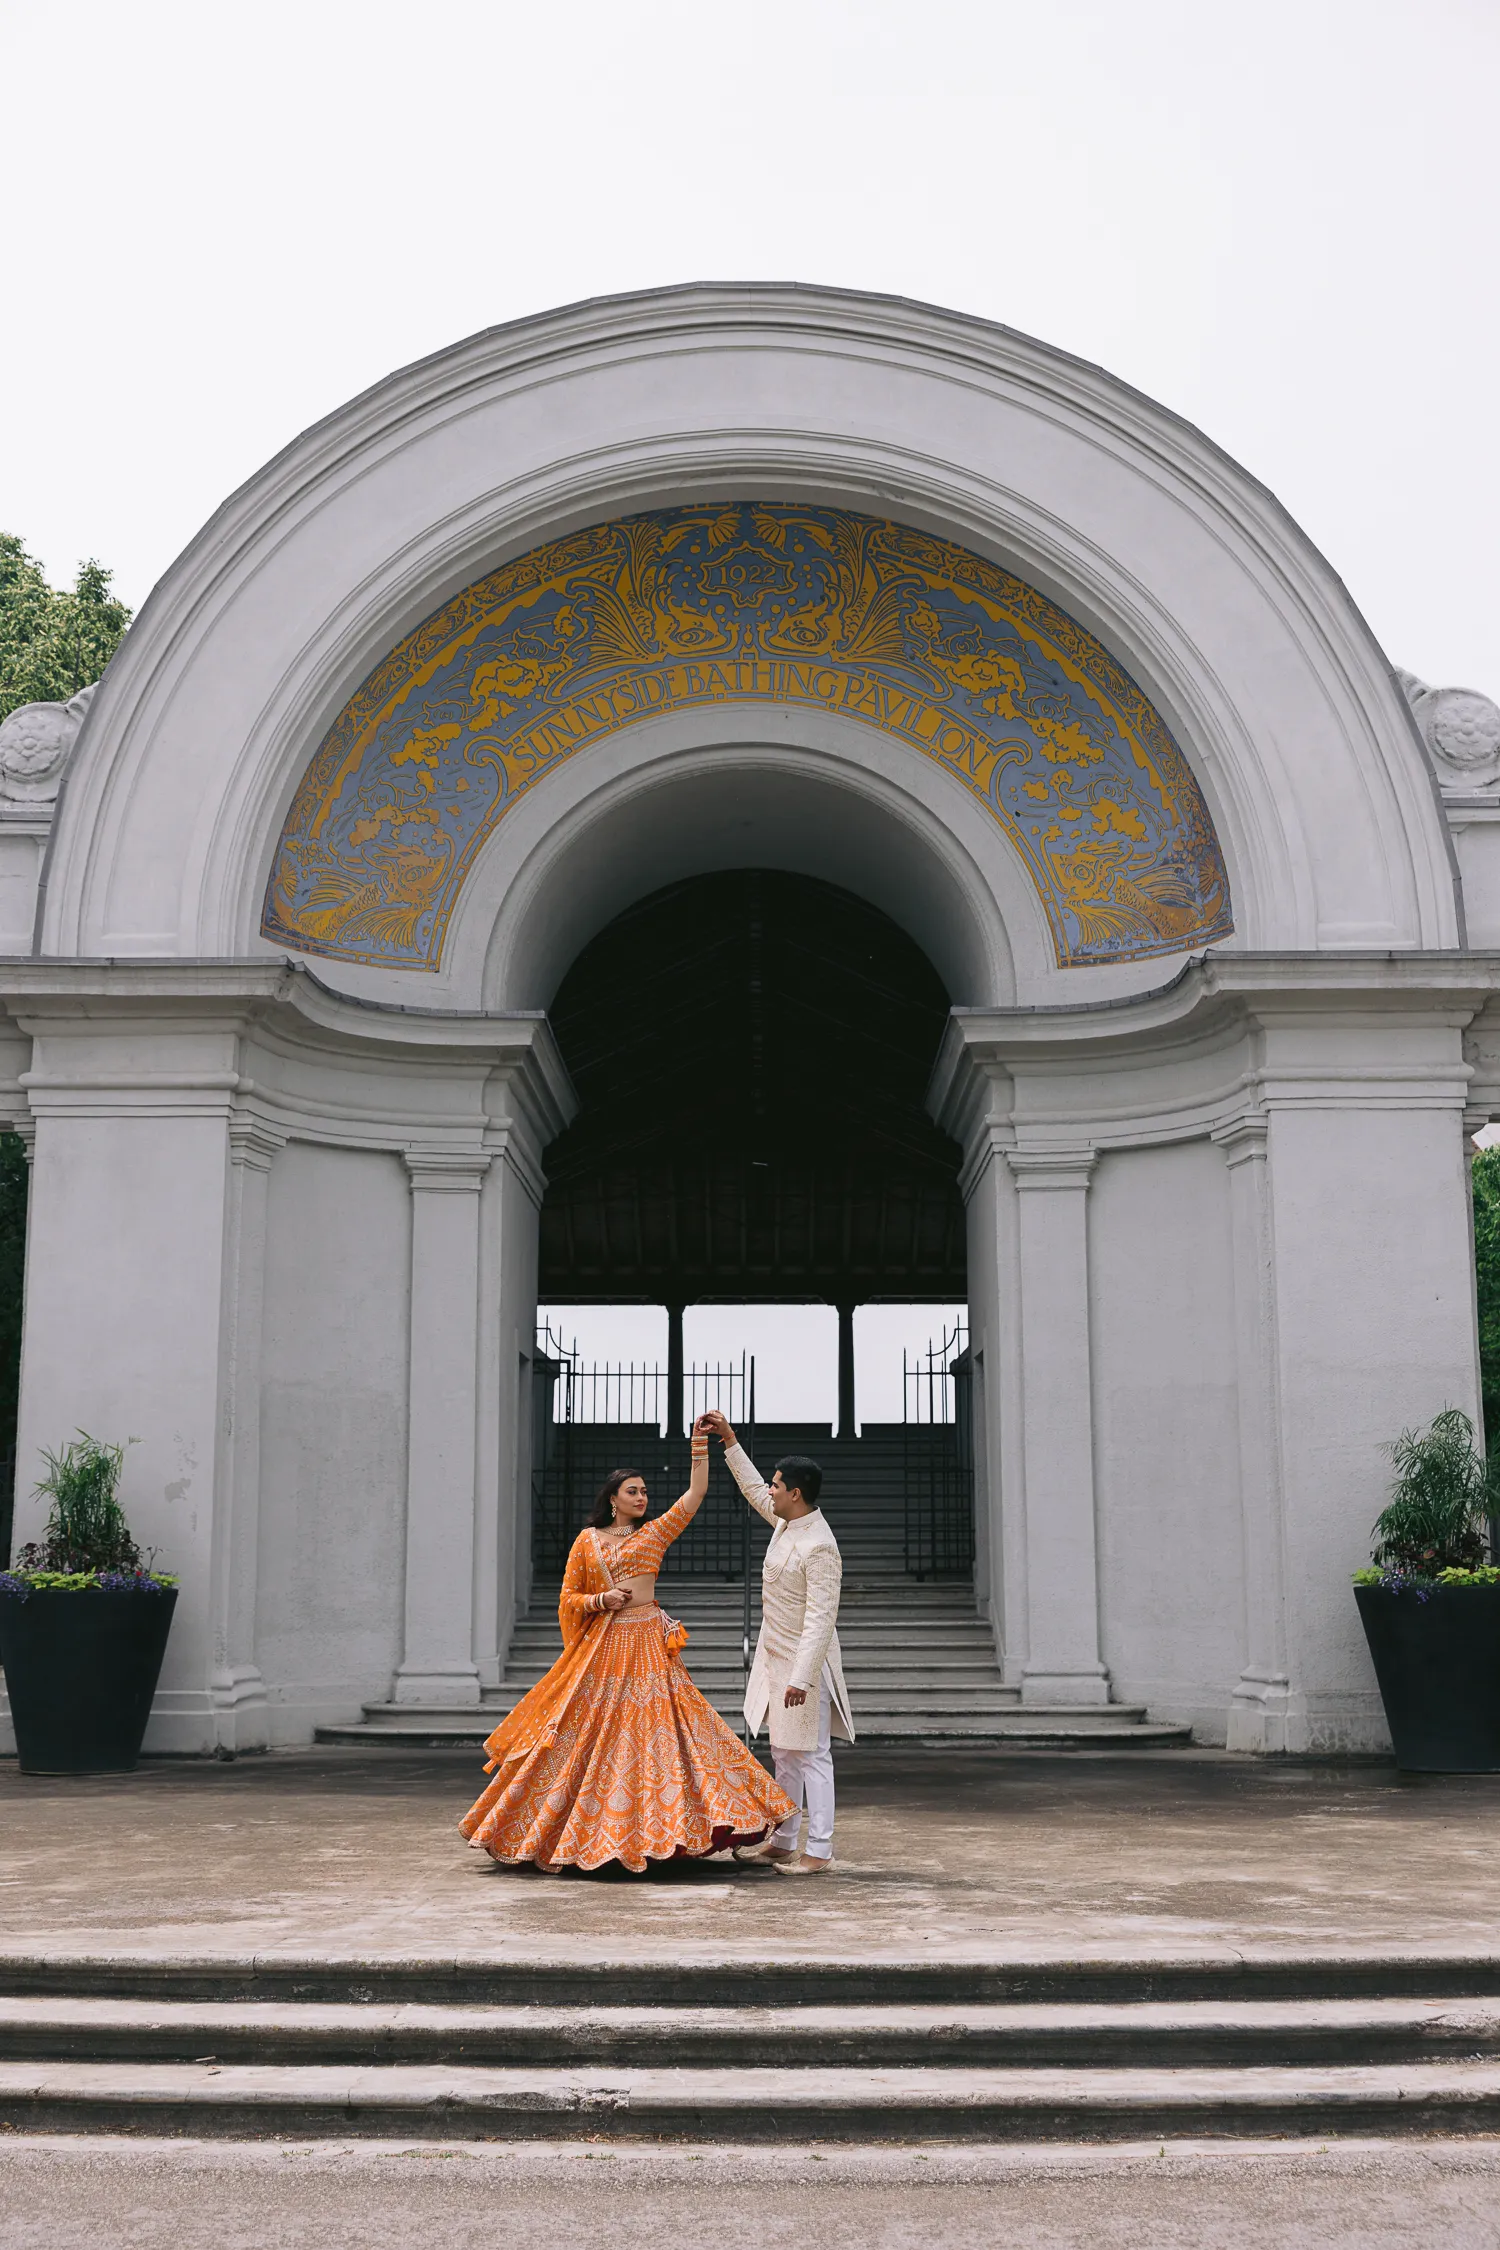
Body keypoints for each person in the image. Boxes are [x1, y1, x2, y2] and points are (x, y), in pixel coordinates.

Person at [460, 1429, 793, 1872]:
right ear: (613, 1498)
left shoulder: (655, 1533)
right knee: (588, 1734)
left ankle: (664, 1833)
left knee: (662, 1735)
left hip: (649, 1644)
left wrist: (700, 1444)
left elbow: (696, 1490)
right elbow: (568, 1599)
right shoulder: (588, 1541)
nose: (642, 1497)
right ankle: (576, 1831)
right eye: (632, 1491)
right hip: (605, 1645)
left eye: (645, 1491)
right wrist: (602, 1600)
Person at [696, 1410, 854, 1874]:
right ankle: (784, 1839)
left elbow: (822, 1620)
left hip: (804, 1667)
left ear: (796, 1494)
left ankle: (819, 1850)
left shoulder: (819, 1545)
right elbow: (750, 1486)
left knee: (812, 1755)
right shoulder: (787, 1524)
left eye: (777, 1485)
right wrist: (728, 1441)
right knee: (783, 1752)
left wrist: (803, 1679)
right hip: (775, 1659)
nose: (770, 1490)